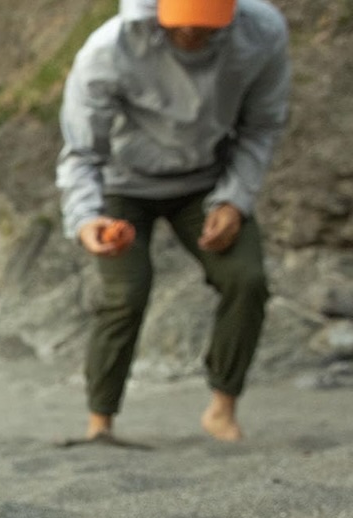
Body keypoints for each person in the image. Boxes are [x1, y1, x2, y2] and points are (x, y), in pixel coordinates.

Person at [56, 0, 290, 442]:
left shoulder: (263, 34)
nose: (194, 36)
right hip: (124, 186)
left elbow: (262, 126)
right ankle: (100, 423)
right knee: (125, 292)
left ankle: (222, 407)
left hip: (206, 182)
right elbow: (82, 152)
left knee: (247, 278)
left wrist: (234, 202)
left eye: (208, 24)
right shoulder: (107, 51)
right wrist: (88, 220)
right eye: (183, 25)